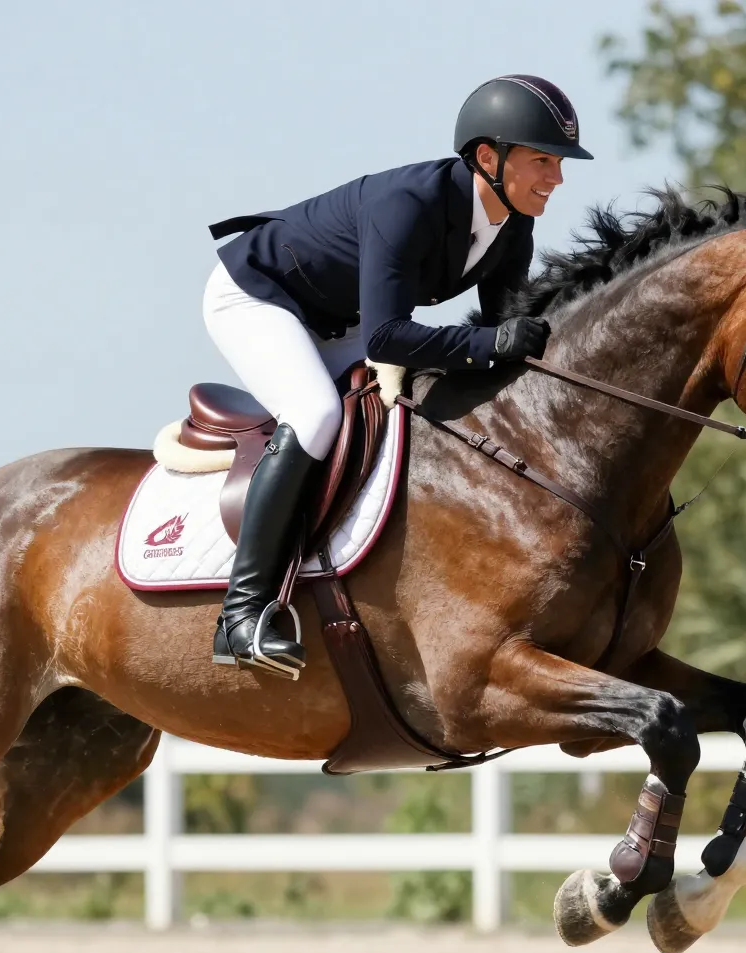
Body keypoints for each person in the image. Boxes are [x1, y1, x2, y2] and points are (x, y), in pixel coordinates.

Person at [202, 75, 591, 677]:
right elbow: (388, 339)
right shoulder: (408, 205)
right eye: (543, 159)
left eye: (559, 161)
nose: (556, 178)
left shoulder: (514, 225)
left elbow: (505, 339)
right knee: (316, 414)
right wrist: (487, 343)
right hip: (259, 296)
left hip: (340, 319)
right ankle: (242, 614)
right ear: (488, 157)